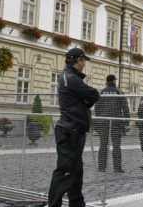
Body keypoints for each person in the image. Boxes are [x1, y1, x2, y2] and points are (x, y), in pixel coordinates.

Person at [48, 48, 100, 207]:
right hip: (70, 130)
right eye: (83, 61)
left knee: (76, 170)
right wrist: (86, 103)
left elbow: (88, 96)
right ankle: (54, 204)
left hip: (73, 129)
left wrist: (84, 103)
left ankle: (77, 203)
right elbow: (94, 94)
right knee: (65, 170)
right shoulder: (71, 78)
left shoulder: (68, 77)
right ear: (78, 60)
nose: (84, 64)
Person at [94, 74, 130, 173]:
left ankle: (101, 167)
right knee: (116, 145)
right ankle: (117, 168)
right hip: (116, 122)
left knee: (103, 145)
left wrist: (97, 122)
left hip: (103, 122)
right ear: (114, 81)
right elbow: (125, 108)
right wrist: (127, 122)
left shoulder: (101, 92)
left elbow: (97, 108)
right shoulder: (119, 92)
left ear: (107, 81)